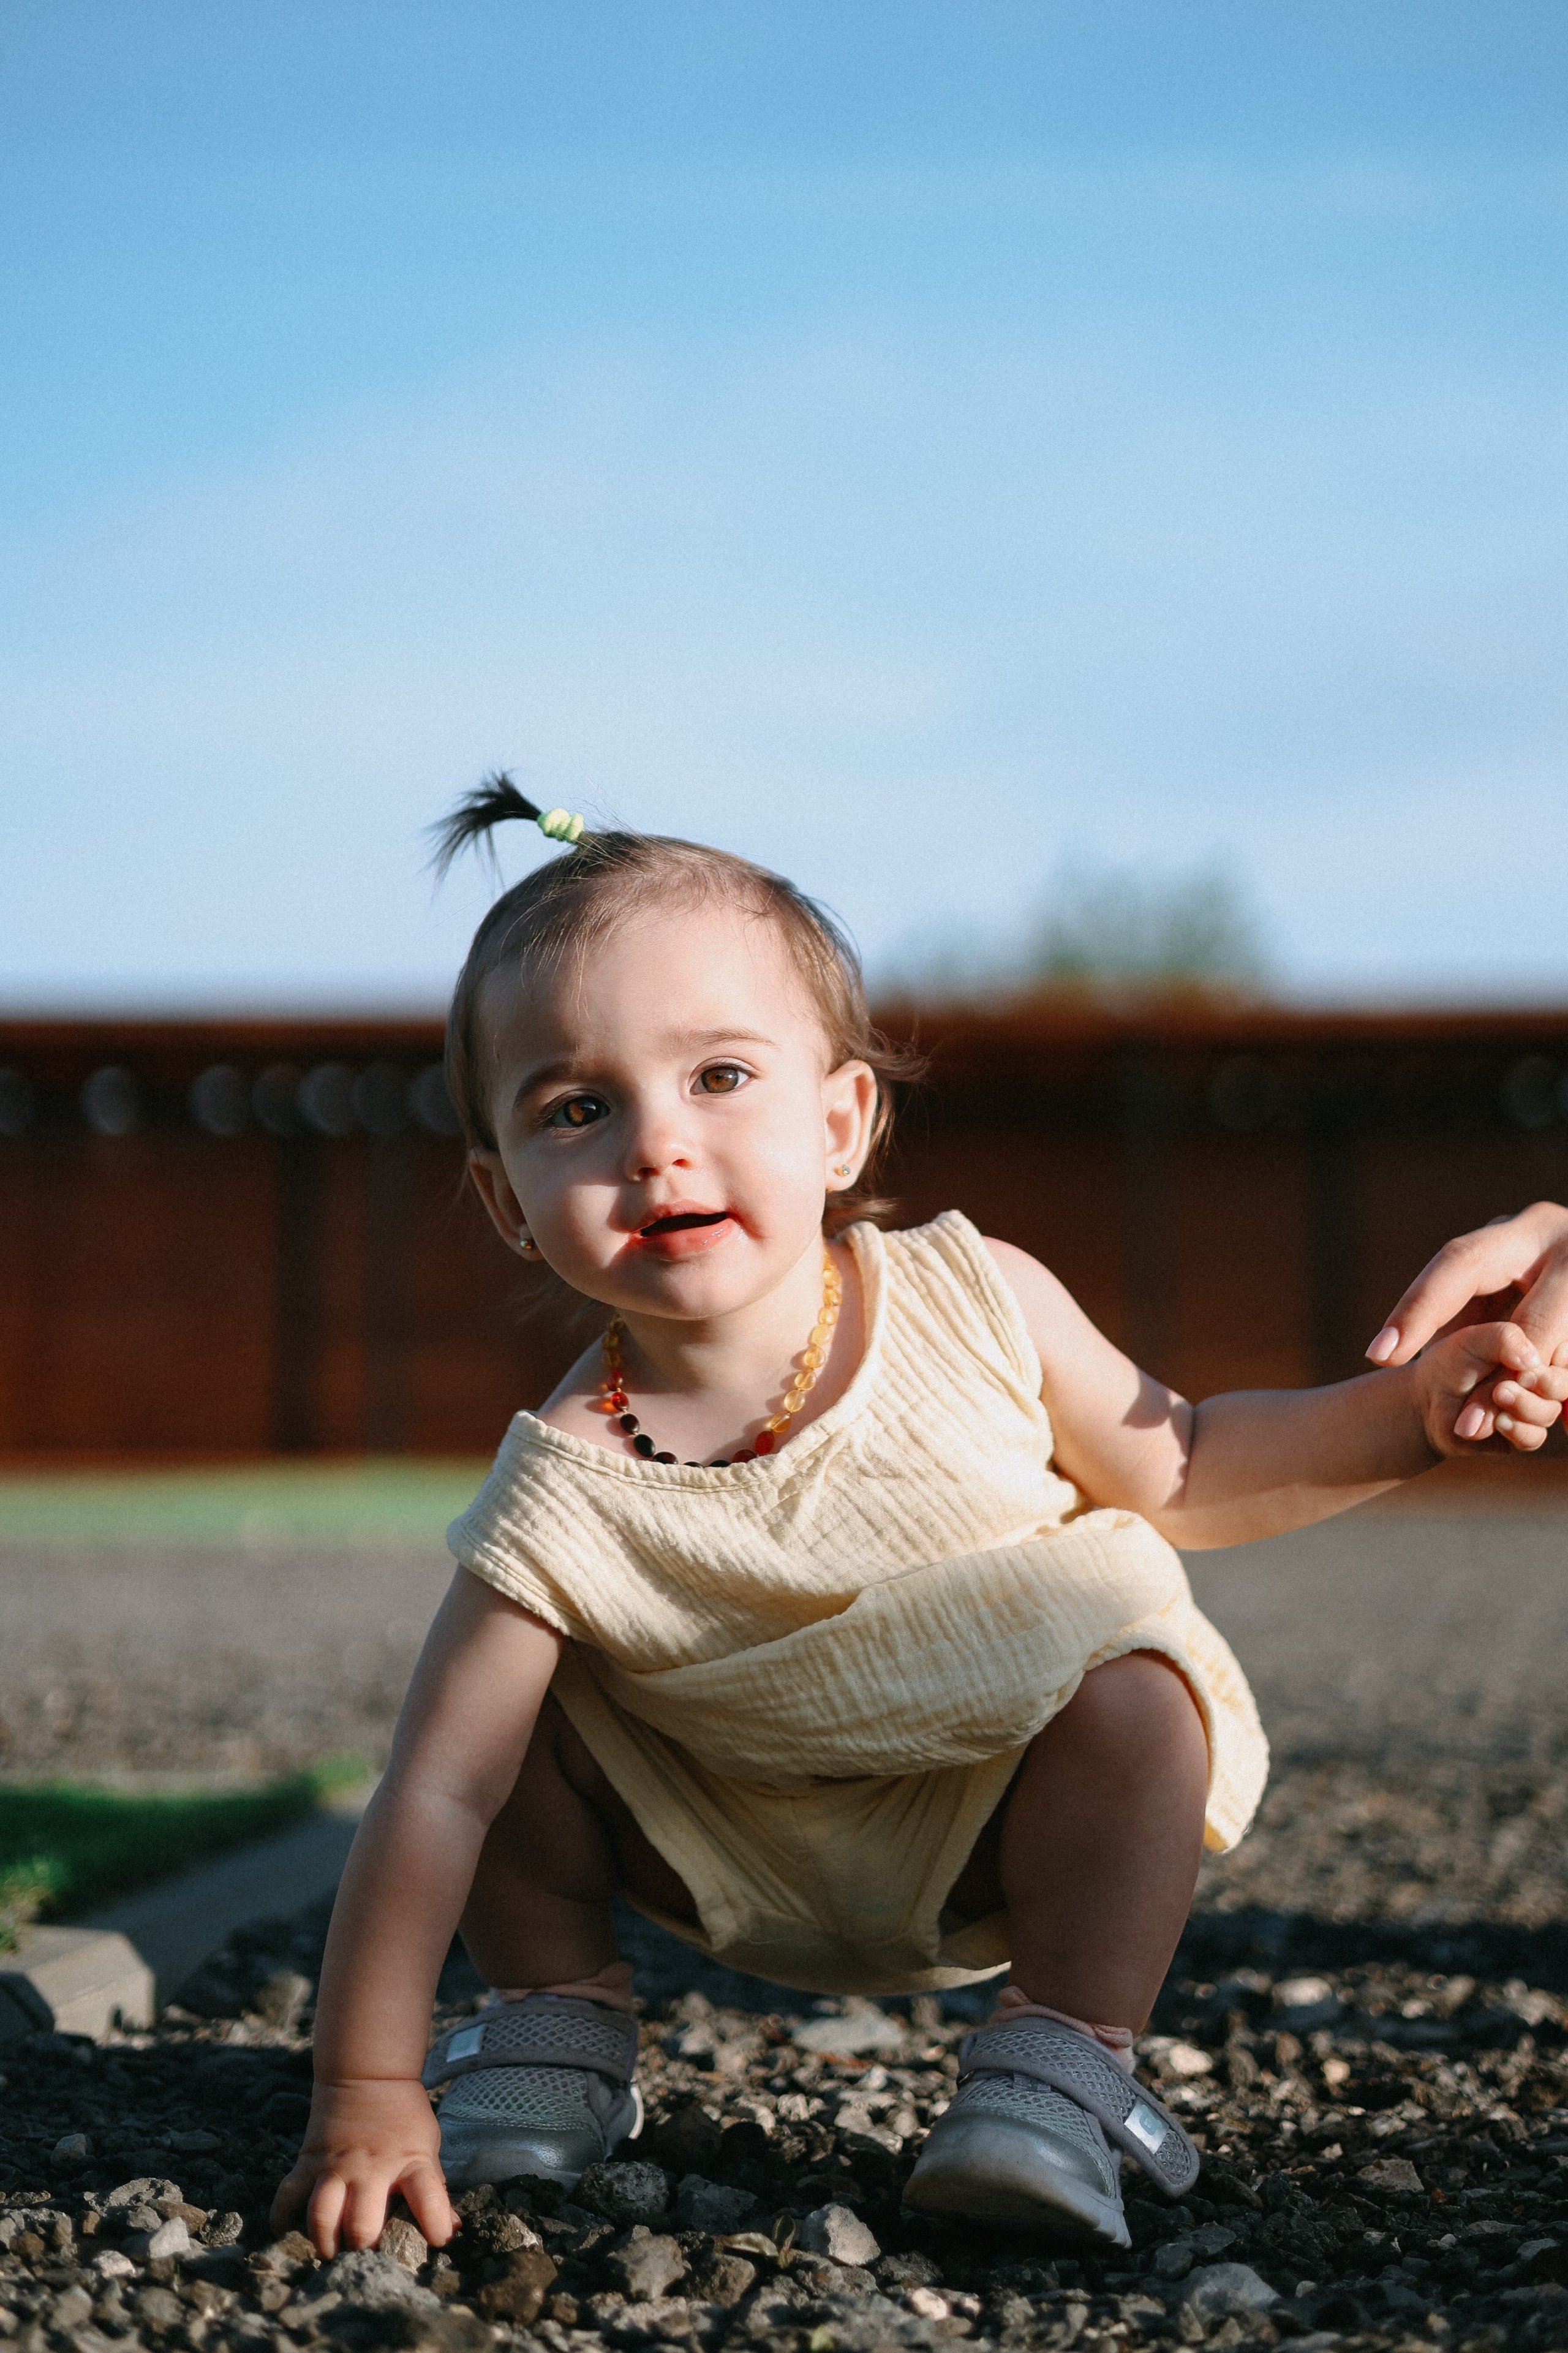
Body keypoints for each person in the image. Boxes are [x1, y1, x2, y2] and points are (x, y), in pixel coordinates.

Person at [274, 785, 1568, 2258]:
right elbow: (430, 1796)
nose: (655, 1145)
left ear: (840, 1120)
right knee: (497, 1738)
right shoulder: (564, 1484)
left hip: (989, 1823)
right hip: (715, 1847)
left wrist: (1407, 1415)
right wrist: (363, 2087)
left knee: (1143, 1689)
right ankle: (553, 2022)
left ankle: (1054, 2071)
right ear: (509, 1206)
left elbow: (1189, 1461)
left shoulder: (973, 1298)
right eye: (578, 1108)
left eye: (717, 1076)